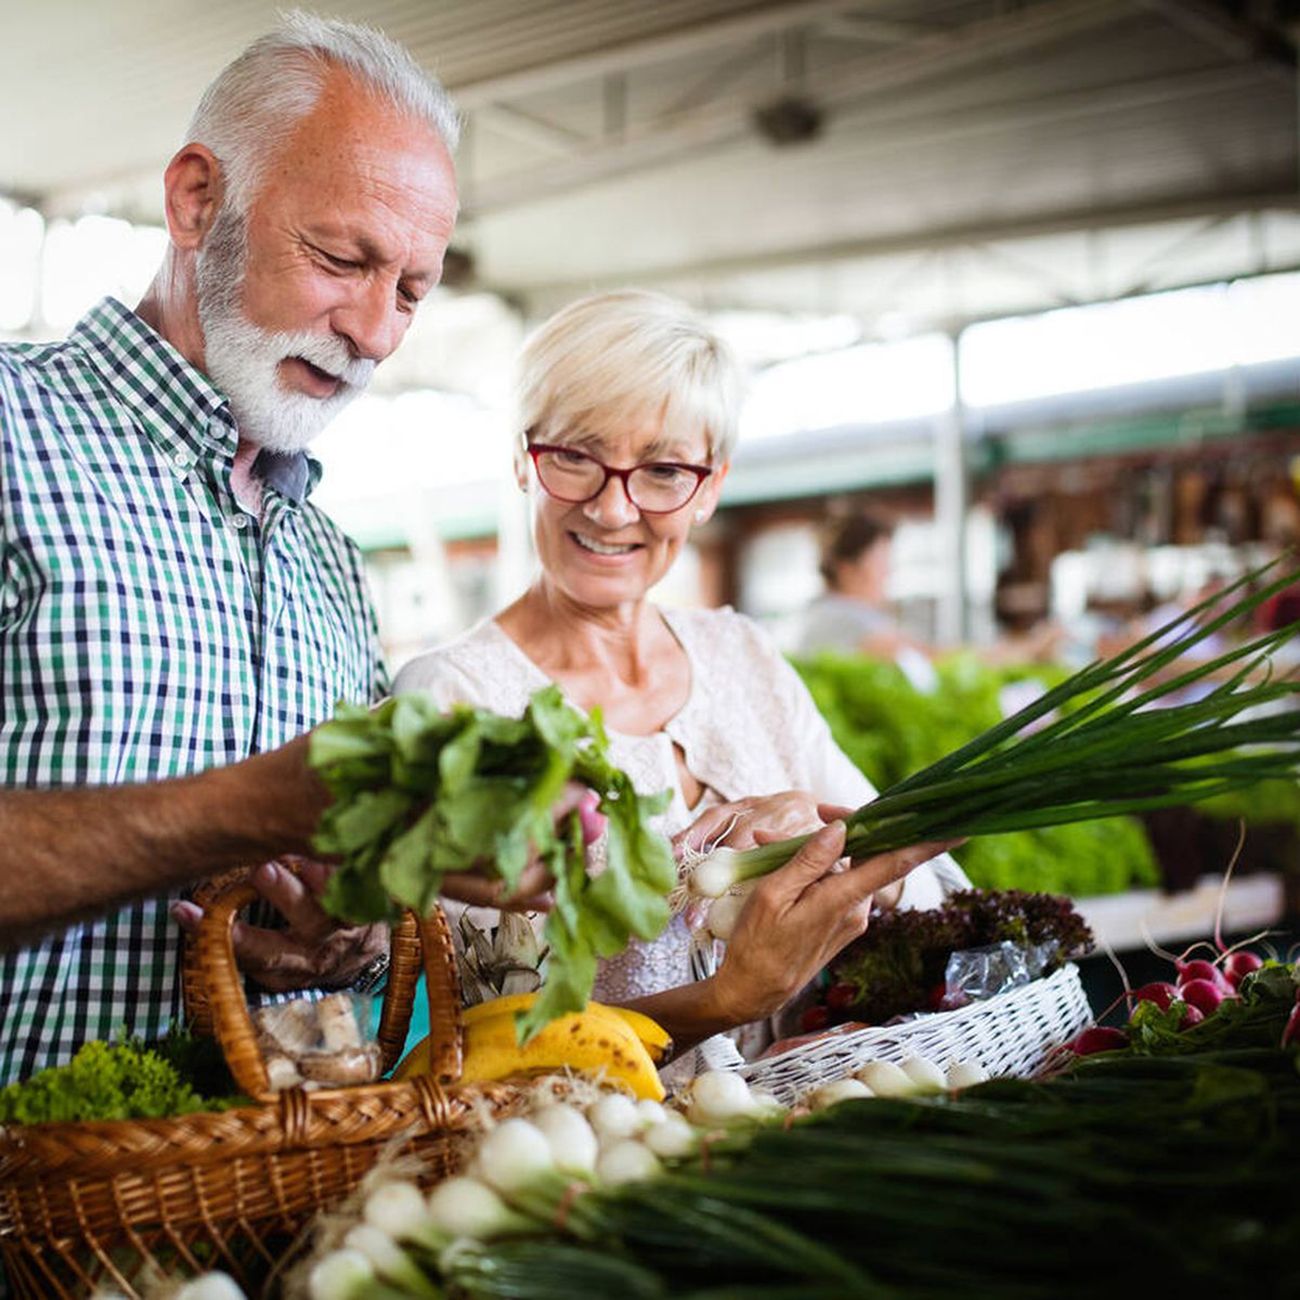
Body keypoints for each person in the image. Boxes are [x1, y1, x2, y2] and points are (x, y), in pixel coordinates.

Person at [0, 12, 461, 1083]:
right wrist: (235, 809)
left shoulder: (331, 564)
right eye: (343, 258)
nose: (377, 332)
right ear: (197, 201)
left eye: (411, 290)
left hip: (260, 1227)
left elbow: (350, 911)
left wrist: (340, 935)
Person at [394, 291, 968, 1068]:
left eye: (662, 470)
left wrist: (841, 854)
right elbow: (482, 1047)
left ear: (709, 489)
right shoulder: (454, 698)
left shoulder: (742, 657)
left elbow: (940, 889)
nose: (612, 506)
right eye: (575, 456)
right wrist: (726, 1003)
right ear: (521, 458)